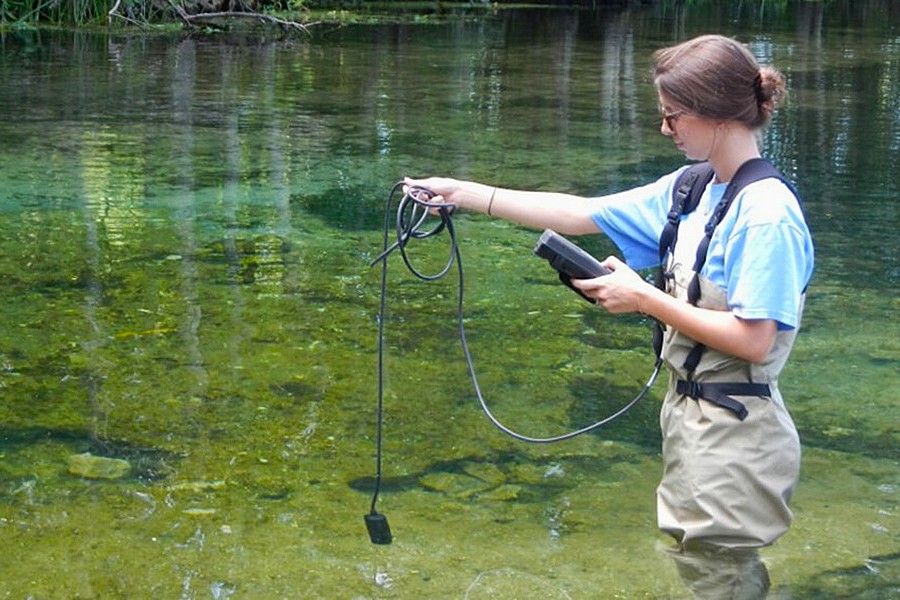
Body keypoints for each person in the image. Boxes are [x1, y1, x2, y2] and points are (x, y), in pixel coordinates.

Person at [405, 34, 814, 596]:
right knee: (696, 561)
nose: (665, 129)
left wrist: (643, 298)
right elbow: (581, 213)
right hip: (691, 421)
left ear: (716, 113)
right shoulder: (692, 189)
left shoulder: (767, 215)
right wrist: (462, 192)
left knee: (717, 569)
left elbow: (755, 341)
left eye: (673, 116)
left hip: (740, 435)